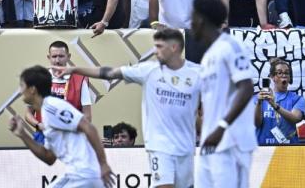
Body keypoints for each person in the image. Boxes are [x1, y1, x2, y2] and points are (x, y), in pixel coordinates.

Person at [58, 28, 201, 188]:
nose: (155, 51)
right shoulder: (148, 70)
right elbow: (109, 72)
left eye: (159, 47)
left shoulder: (198, 73)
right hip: (160, 145)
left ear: (174, 47)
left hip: (186, 147)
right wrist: (75, 69)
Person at [10, 65, 113, 187]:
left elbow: (89, 128)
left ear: (32, 89)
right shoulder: (47, 112)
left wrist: (103, 164)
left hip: (85, 176)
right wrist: (23, 135)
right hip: (77, 175)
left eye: (22, 86)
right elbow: (49, 158)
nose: (20, 91)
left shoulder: (52, 107)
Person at [192, 0, 256, 188]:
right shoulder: (208, 56)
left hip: (231, 141)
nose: (190, 23)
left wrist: (221, 127)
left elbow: (247, 88)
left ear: (201, 20)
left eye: (192, 18)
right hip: (210, 142)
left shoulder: (232, 46)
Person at [254, 58, 305, 145]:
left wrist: (274, 105)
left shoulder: (297, 99)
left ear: (289, 78)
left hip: (288, 149)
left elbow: (295, 118)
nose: (284, 75)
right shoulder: (259, 98)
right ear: (272, 77)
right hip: (263, 149)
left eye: (286, 73)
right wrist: (259, 103)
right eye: (279, 73)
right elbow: (257, 123)